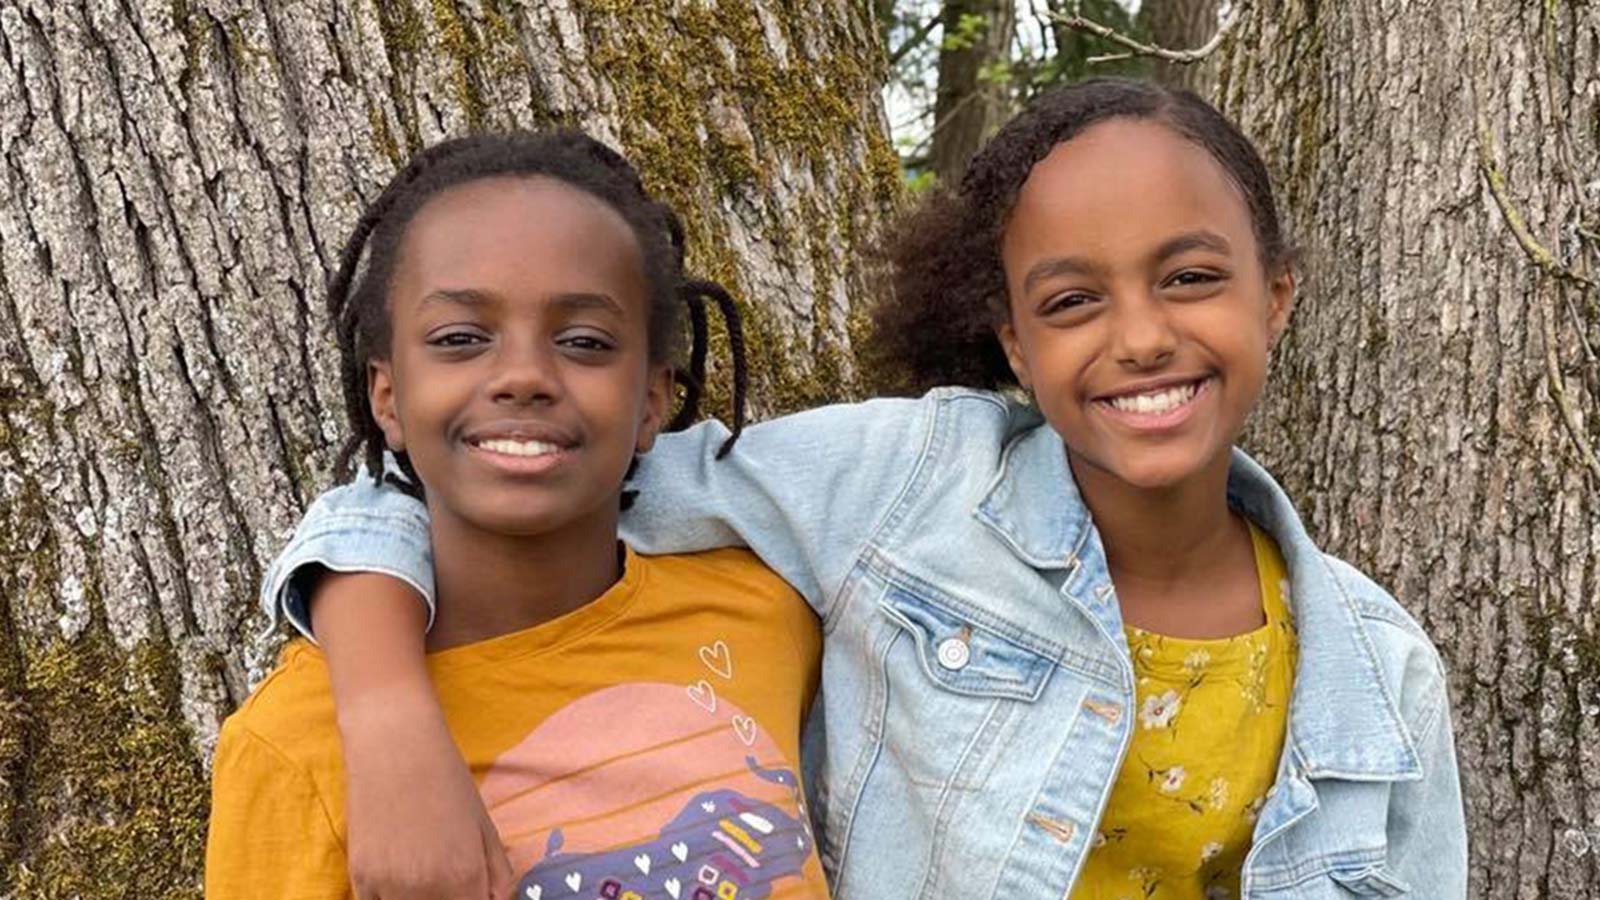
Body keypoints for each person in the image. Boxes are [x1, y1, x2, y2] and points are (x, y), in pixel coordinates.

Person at [262, 79, 1468, 898]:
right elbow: (515, 477)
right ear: (1008, 341)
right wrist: (383, 709)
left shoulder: (1376, 667)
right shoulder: (901, 487)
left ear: (1277, 296)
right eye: (1071, 302)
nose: (1141, 338)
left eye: (1191, 277)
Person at [204, 130, 832, 900]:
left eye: (584, 341)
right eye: (461, 339)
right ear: (387, 397)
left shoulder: (766, 616)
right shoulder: (297, 745)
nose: (525, 376)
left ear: (653, 402)